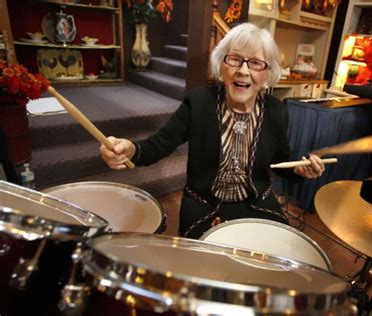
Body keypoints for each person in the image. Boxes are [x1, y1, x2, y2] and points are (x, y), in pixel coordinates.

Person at [100, 23, 325, 239]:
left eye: (256, 63)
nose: (243, 71)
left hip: (258, 203)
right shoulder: (199, 103)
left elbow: (282, 162)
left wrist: (300, 170)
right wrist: (131, 150)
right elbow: (158, 145)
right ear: (222, 65)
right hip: (204, 205)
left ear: (267, 73)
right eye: (235, 59)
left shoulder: (277, 111)